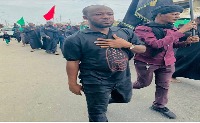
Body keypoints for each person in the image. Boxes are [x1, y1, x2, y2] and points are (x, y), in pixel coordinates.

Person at [62, 5, 146, 122]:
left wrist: (127, 45)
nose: (106, 17)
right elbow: (73, 62)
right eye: (99, 14)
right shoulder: (75, 39)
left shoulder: (124, 32)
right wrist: (72, 83)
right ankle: (99, 104)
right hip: (95, 80)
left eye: (110, 14)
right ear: (86, 17)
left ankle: (103, 101)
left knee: (125, 99)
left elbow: (142, 49)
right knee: (97, 114)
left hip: (122, 77)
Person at [128, 5, 199, 119]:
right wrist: (181, 31)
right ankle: (122, 86)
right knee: (142, 84)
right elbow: (156, 44)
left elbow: (174, 44)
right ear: (160, 14)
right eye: (173, 14)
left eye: (178, 14)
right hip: (147, 62)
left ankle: (159, 105)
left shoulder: (172, 29)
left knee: (164, 86)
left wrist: (186, 42)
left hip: (167, 62)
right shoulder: (142, 28)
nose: (177, 16)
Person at [171, 17, 200, 82]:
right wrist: (193, 36)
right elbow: (182, 34)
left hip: (197, 50)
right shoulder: (193, 26)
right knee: (183, 62)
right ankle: (171, 75)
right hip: (189, 49)